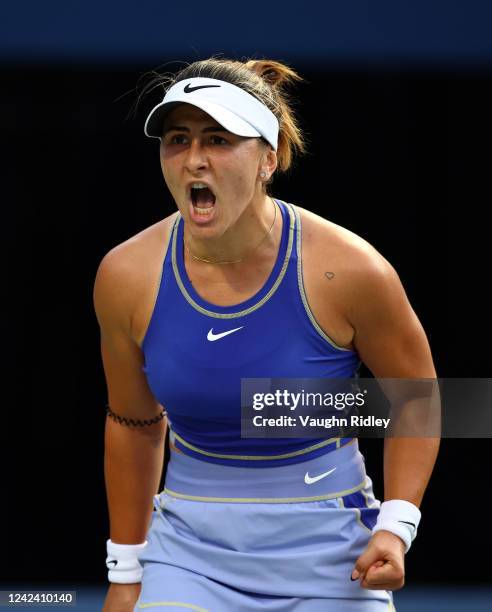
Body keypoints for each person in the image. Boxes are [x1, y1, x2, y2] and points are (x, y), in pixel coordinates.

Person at [94, 57, 440, 612]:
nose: (194, 159)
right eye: (177, 139)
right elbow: (134, 423)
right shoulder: (126, 275)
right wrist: (126, 571)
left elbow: (416, 400)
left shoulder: (350, 271)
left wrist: (396, 528)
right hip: (187, 555)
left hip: (333, 559)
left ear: (269, 159)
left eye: (219, 139)